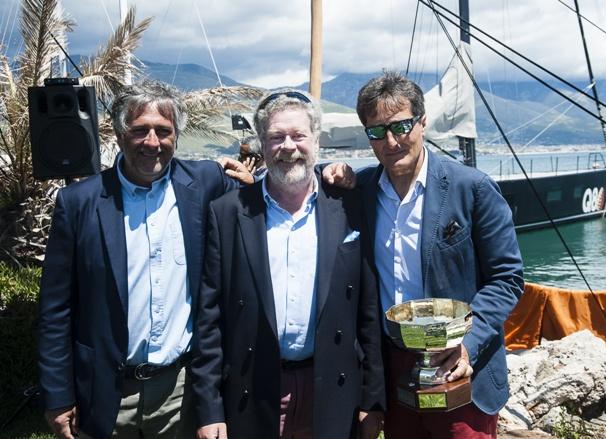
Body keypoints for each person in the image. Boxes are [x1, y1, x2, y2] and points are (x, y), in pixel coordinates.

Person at [37, 80, 249, 439]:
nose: (153, 142)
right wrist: (57, 396)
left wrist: (328, 178)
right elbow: (55, 309)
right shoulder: (78, 203)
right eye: (140, 130)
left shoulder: (207, 182)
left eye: (163, 131)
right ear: (119, 135)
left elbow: (279, 193)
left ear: (176, 136)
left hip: (180, 395)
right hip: (106, 392)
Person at [326, 71, 524, 438]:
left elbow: (507, 278)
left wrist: (468, 344)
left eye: (401, 126)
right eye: (376, 131)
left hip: (461, 363)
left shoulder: (473, 189)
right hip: (393, 369)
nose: (390, 141)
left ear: (422, 121)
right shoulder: (362, 191)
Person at [190, 89, 386, 439]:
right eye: (276, 137)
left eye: (298, 135)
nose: (288, 146)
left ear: (316, 142)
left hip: (333, 390)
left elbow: (367, 311)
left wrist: (372, 400)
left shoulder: (349, 206)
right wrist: (208, 409)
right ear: (262, 145)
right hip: (254, 390)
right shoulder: (227, 212)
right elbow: (210, 320)